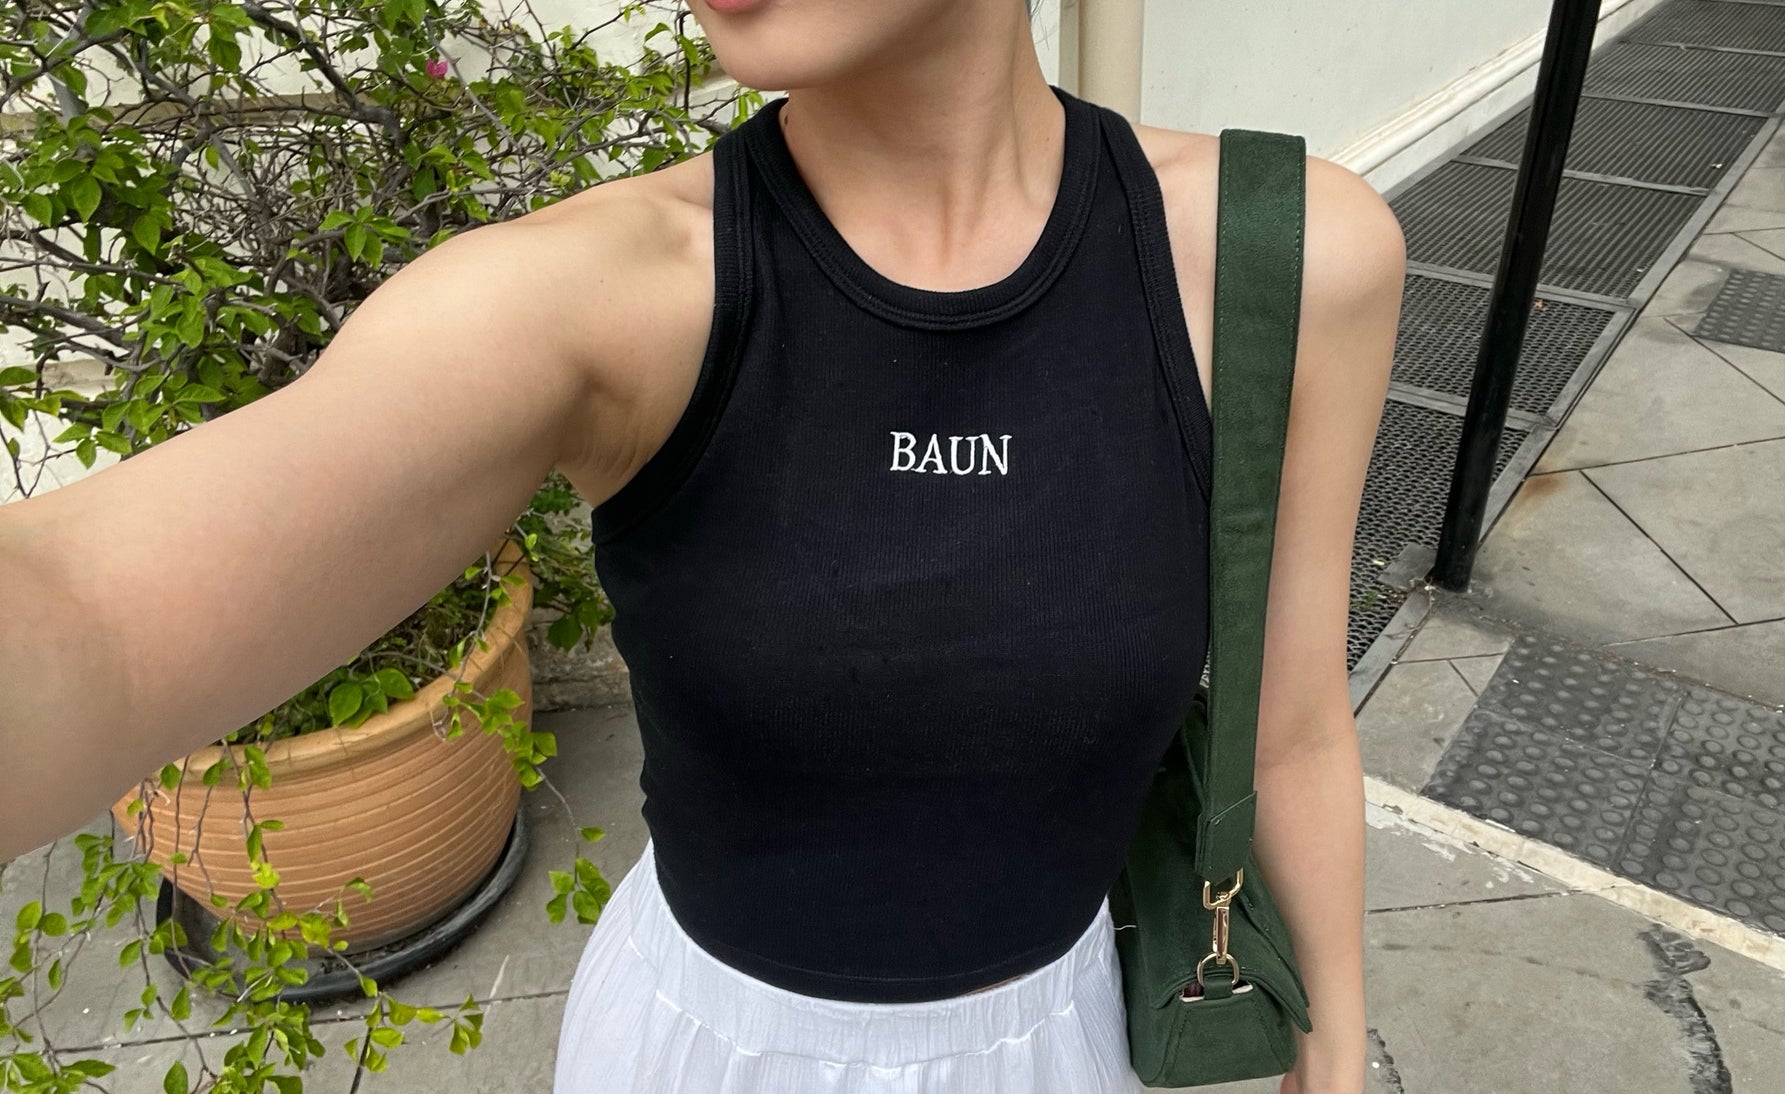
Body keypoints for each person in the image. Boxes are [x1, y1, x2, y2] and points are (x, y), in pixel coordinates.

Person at [0, 0, 1404, 1090]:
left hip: (1066, 1040)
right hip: (703, 1050)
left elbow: (1288, 727)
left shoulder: (1283, 259)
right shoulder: (600, 297)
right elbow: (89, 614)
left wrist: (1331, 1044)